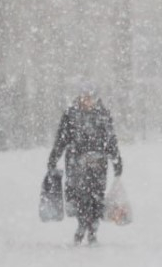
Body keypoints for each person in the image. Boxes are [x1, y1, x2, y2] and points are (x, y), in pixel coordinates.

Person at [47, 88, 122, 245]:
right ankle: (82, 224)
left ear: (95, 99)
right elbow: (62, 138)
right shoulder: (70, 115)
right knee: (79, 196)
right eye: (84, 98)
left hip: (98, 164)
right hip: (76, 163)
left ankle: (93, 229)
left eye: (90, 98)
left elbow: (110, 139)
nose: (87, 101)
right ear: (79, 98)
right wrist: (54, 157)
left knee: (96, 197)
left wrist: (116, 159)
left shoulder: (103, 115)